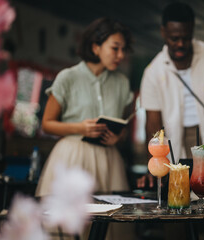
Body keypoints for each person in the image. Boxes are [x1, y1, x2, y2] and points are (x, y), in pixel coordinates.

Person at [138, 3, 204, 240]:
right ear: (164, 32)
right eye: (174, 38)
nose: (180, 44)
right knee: (176, 214)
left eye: (185, 37)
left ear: (193, 30)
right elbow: (153, 124)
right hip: (175, 144)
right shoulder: (153, 71)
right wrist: (155, 161)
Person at [35, 17, 135, 240]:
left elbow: (123, 128)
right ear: (95, 46)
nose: (120, 55)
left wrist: (117, 138)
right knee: (69, 228)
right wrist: (79, 127)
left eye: (123, 50)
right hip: (72, 157)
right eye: (115, 48)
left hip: (109, 161)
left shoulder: (122, 83)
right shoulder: (68, 77)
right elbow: (47, 123)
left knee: (111, 227)